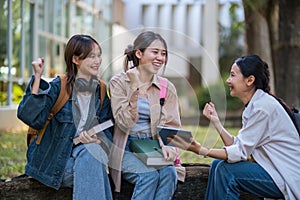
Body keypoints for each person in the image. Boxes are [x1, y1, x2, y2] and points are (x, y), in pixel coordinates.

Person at [169, 54, 300, 199]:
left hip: (285, 177)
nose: (228, 80)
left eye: (232, 75)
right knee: (217, 164)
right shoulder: (255, 105)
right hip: (273, 170)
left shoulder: (262, 108)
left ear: (250, 80)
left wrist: (200, 149)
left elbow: (240, 152)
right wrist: (216, 122)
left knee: (226, 170)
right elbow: (238, 146)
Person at [17, 34, 113, 200]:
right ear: (75, 59)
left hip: (86, 156)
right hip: (52, 161)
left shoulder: (101, 91)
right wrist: (38, 77)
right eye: (92, 56)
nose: (98, 61)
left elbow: (109, 129)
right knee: (93, 163)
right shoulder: (59, 86)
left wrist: (98, 139)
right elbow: (31, 117)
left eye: (99, 55)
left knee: (92, 153)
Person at [108, 31, 184, 199]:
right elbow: (123, 123)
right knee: (148, 176)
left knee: (169, 174)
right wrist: (135, 89)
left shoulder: (167, 87)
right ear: (139, 53)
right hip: (126, 147)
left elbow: (172, 125)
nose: (160, 58)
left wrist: (170, 147)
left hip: (153, 146)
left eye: (163, 54)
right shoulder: (118, 82)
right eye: (155, 52)